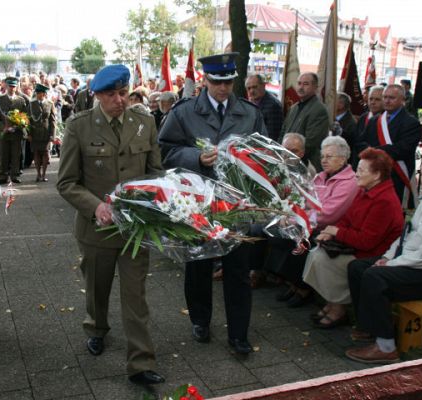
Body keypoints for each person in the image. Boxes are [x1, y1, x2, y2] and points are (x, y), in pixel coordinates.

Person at [56, 64, 164, 385]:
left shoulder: (145, 122)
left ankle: (141, 363)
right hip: (97, 229)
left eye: (124, 93)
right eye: (112, 94)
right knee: (97, 288)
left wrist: (157, 199)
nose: (120, 100)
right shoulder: (79, 126)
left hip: (136, 229)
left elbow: (155, 172)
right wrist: (97, 206)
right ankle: (97, 327)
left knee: (136, 296)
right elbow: (67, 182)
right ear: (98, 95)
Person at [158, 52, 267, 354]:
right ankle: (200, 320)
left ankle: (239, 334)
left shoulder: (249, 112)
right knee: (198, 266)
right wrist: (195, 157)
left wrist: (249, 163)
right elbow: (165, 150)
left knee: (238, 271)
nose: (223, 88)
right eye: (217, 82)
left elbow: (264, 153)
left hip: (236, 205)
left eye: (229, 82)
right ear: (205, 81)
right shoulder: (184, 112)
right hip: (200, 203)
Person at [303, 148, 404, 329]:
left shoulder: (384, 200)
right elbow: (347, 218)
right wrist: (329, 231)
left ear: (376, 175)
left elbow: (368, 241)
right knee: (316, 252)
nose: (356, 174)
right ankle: (334, 302)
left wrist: (337, 232)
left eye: (361, 171)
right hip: (357, 246)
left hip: (374, 253)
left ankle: (339, 308)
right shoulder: (365, 189)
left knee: (322, 259)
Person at [345, 161, 422, 364]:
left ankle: (386, 347)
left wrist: (391, 264)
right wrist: (388, 257)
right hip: (410, 262)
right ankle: (369, 328)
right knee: (357, 267)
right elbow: (406, 236)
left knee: (375, 276)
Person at [266, 136, 356, 307]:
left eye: (329, 156)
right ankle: (293, 281)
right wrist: (290, 216)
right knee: (276, 234)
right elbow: (305, 202)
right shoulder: (321, 177)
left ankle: (302, 288)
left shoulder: (349, 182)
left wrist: (295, 220)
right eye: (323, 156)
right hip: (311, 223)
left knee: (297, 239)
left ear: (343, 158)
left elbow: (327, 214)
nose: (324, 160)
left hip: (330, 229)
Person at [356, 84, 422, 207]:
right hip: (372, 173)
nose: (387, 100)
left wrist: (373, 151)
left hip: (395, 174)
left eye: (392, 97)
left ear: (403, 100)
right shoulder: (375, 120)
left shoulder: (411, 123)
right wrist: (371, 151)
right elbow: (360, 143)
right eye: (385, 97)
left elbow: (402, 149)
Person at [279, 72, 330, 171]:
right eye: (299, 83)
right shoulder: (293, 108)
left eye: (305, 84)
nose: (301, 87)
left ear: (315, 87)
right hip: (287, 161)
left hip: (306, 166)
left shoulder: (319, 110)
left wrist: (290, 155)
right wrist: (280, 152)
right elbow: (283, 133)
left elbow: (311, 143)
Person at [0, 76, 27, 184]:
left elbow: (25, 116)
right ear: (6, 86)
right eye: (10, 86)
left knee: (16, 154)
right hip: (4, 132)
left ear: (16, 87)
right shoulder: (0, 99)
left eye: (14, 86)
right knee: (4, 154)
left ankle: (14, 175)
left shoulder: (21, 100)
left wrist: (19, 125)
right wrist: (4, 127)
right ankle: (3, 176)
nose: (12, 88)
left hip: (16, 132)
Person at [28, 83, 55, 182]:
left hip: (45, 132)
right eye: (37, 93)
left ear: (44, 94)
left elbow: (53, 120)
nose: (38, 95)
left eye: (40, 93)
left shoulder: (50, 103)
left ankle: (44, 174)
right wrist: (28, 133)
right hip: (34, 132)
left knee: (46, 154)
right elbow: (28, 120)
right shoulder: (31, 104)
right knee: (36, 153)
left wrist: (53, 134)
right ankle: (38, 174)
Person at [245, 73, 283, 141]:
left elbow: (272, 136)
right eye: (249, 88)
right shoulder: (250, 103)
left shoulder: (273, 105)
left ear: (263, 85)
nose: (251, 91)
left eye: (254, 87)